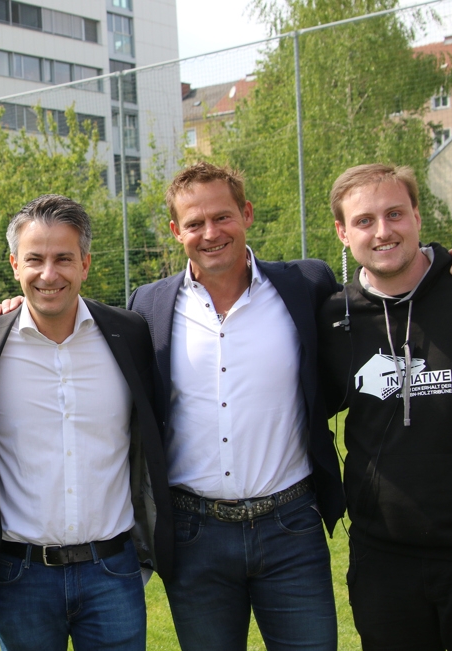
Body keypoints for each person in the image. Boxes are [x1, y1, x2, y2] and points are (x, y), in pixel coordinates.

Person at [127, 162, 343, 651]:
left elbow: (376, 304)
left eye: (222, 217)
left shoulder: (306, 285)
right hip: (193, 534)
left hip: (291, 526)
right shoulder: (148, 306)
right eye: (194, 223)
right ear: (174, 231)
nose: (210, 233)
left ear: (246, 213)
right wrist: (16, 310)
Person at [0, 194, 172, 651]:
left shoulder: (128, 333)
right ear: (15, 265)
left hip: (113, 569)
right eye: (34, 259)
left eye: (63, 259)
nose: (48, 274)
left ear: (86, 264)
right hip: (19, 574)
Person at [319, 164, 452, 651]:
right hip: (383, 558)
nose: (382, 231)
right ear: (342, 231)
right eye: (364, 220)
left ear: (417, 215)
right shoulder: (335, 316)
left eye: (395, 213)